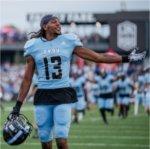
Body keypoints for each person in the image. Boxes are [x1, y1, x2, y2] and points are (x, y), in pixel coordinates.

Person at [9, 14, 146, 149]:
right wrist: (17, 106)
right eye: (54, 22)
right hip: (43, 95)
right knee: (45, 141)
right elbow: (27, 79)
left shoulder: (68, 41)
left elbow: (98, 57)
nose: (58, 24)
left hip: (62, 93)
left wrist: (126, 58)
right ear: (45, 26)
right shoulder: (33, 46)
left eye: (59, 22)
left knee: (61, 140)